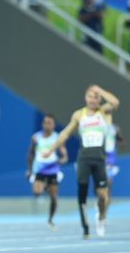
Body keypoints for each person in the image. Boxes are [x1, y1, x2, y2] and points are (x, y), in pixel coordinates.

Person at [44, 85, 120, 238]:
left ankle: (101, 217)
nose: (93, 100)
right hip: (84, 158)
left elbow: (115, 103)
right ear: (85, 98)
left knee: (103, 195)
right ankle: (85, 227)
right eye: (90, 96)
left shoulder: (104, 112)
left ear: (99, 99)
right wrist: (51, 150)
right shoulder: (79, 115)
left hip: (100, 159)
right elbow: (65, 134)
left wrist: (101, 90)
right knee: (82, 195)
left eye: (96, 97)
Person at [25, 114, 67, 229]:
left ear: (53, 125)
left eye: (50, 123)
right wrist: (28, 170)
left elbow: (64, 156)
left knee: (53, 197)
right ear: (42, 124)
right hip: (39, 169)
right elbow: (31, 154)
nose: (47, 125)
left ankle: (51, 219)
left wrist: (61, 160)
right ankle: (45, 187)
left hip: (52, 169)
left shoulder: (57, 138)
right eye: (45, 122)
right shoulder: (36, 137)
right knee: (36, 192)